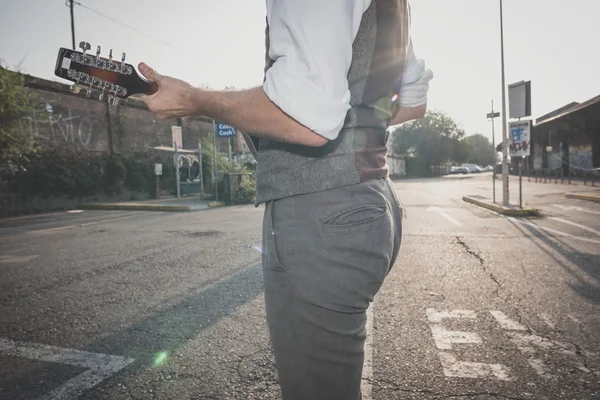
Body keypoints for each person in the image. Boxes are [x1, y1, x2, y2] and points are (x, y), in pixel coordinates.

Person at [139, 1, 432, 398]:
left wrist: (196, 99)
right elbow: (411, 102)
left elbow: (307, 118)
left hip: (322, 216)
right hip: (374, 199)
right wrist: (355, 125)